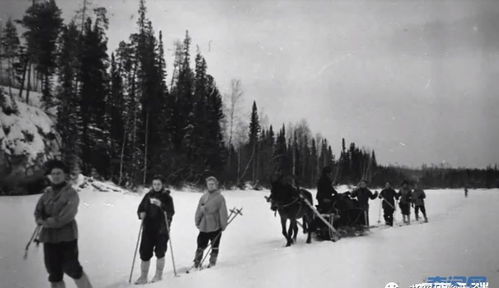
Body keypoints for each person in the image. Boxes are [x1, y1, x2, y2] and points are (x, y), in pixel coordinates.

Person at [34, 160, 93, 288]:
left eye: (58, 173)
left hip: (66, 237)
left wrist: (44, 221)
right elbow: (38, 211)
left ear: (65, 175)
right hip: (49, 237)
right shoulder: (47, 193)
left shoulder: (71, 194)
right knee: (53, 272)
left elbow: (64, 218)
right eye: (53, 173)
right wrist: (40, 219)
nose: (55, 176)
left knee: (72, 268)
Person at [135, 176, 175, 284]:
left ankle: (158, 275)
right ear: (152, 185)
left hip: (162, 229)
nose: (156, 186)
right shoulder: (148, 196)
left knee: (160, 252)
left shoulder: (167, 197)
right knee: (145, 252)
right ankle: (143, 276)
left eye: (159, 184)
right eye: (155, 184)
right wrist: (141, 214)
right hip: (148, 229)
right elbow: (140, 208)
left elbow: (171, 212)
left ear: (162, 185)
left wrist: (161, 205)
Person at [193, 176, 228, 268]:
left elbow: (223, 212)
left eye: (213, 184)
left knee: (215, 245)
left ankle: (212, 262)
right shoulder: (203, 197)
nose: (211, 186)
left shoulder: (220, 198)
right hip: (204, 225)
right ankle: (197, 261)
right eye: (209, 184)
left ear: (216, 185)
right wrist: (197, 221)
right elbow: (199, 210)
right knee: (200, 244)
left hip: (215, 225)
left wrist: (223, 225)